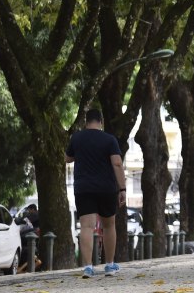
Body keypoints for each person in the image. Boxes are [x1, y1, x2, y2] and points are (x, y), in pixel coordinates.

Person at [66, 108, 126, 277]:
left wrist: (82, 153)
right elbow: (117, 164)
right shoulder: (109, 140)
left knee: (86, 226)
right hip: (106, 188)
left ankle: (87, 267)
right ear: (101, 121)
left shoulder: (76, 138)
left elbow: (67, 158)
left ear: (86, 121)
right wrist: (122, 188)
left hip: (83, 188)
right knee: (109, 225)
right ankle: (109, 265)